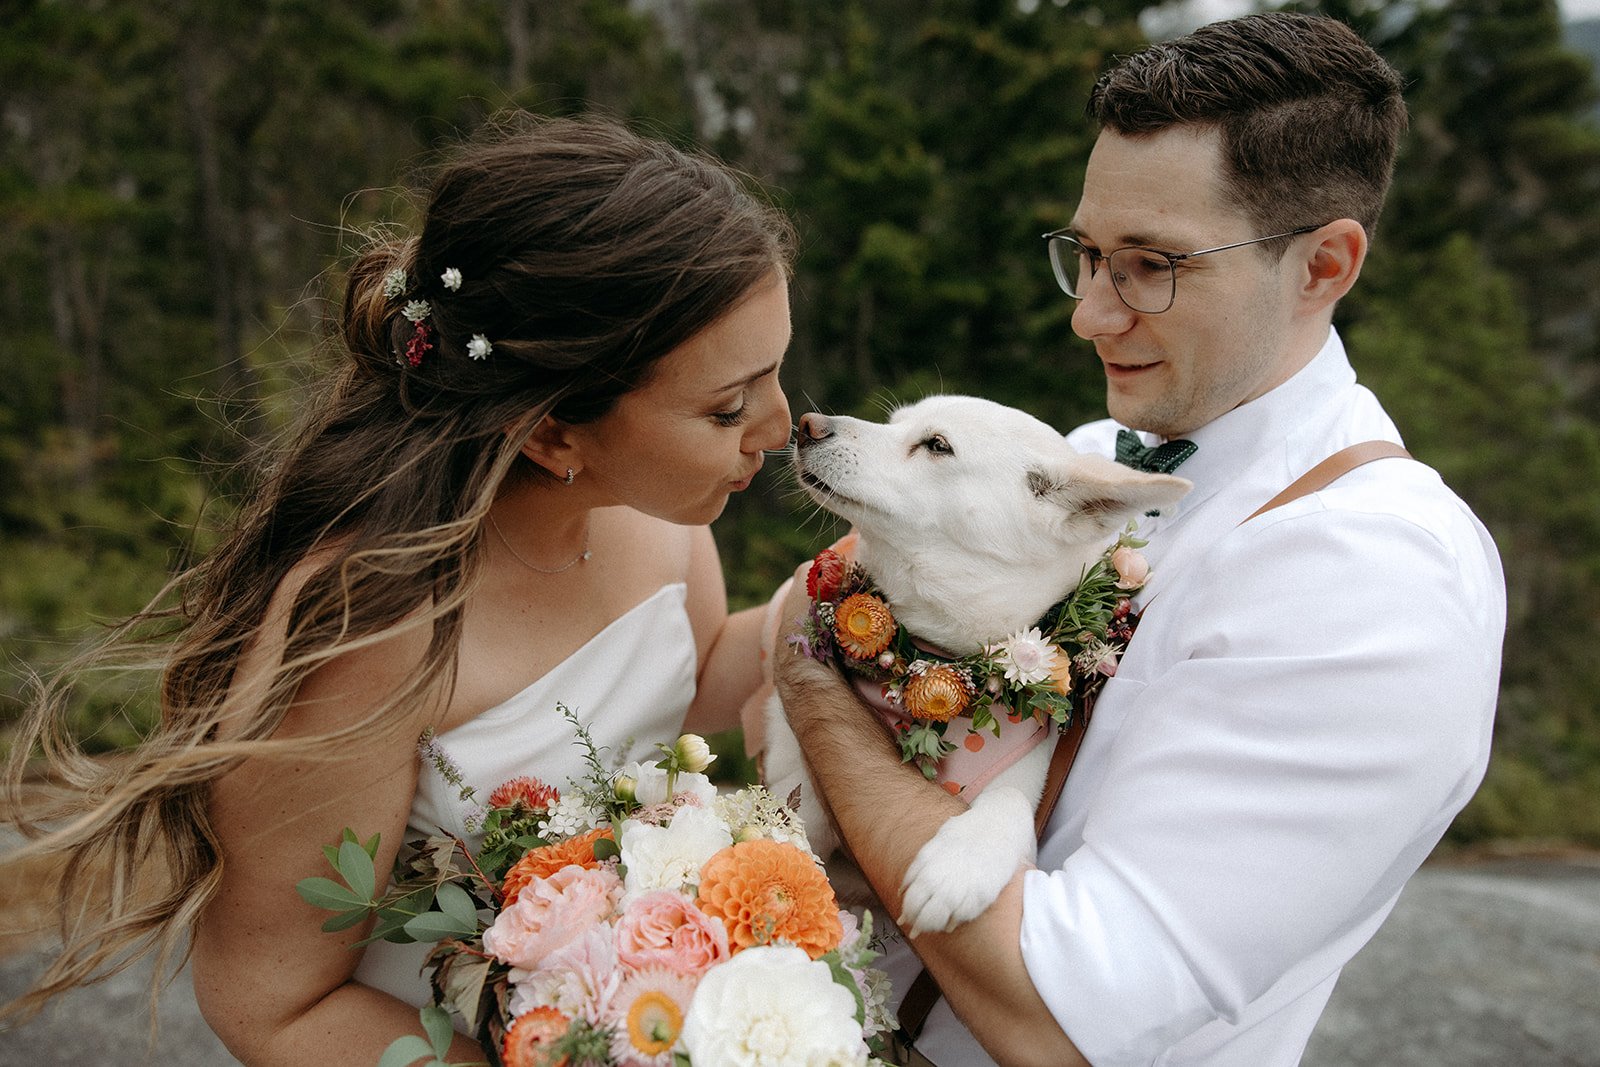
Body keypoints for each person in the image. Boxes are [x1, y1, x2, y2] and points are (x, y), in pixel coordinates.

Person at [771, 13, 1505, 1067]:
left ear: (1324, 264)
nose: (1091, 315)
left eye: (1152, 265)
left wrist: (810, 691)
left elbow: (1065, 1015)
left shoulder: (1378, 577)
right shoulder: (1092, 458)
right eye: (1088, 256)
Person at [2, 113, 794, 1063]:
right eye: (728, 406)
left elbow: (693, 683)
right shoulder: (371, 625)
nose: (782, 426)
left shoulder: (661, 520)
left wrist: (856, 589)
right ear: (552, 433)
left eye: (775, 371)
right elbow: (269, 1005)